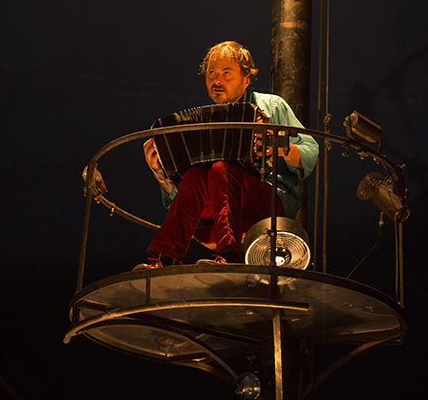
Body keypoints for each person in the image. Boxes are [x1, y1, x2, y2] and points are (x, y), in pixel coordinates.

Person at [135, 41, 319, 269]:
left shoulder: (272, 105)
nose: (217, 80)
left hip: (270, 203)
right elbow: (184, 197)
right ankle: (164, 259)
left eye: (226, 73)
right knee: (193, 175)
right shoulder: (207, 120)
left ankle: (228, 256)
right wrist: (161, 175)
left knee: (220, 168)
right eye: (211, 73)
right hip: (220, 208)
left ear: (246, 80)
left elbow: (311, 151)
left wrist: (281, 147)